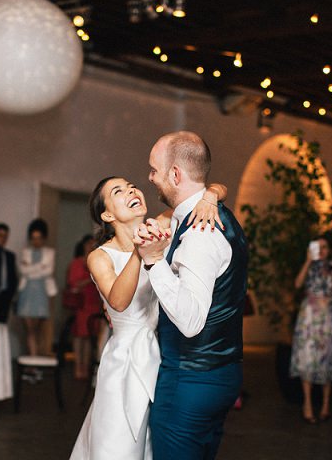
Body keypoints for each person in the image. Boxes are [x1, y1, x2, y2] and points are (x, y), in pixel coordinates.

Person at [70, 176, 225, 460]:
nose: (131, 191)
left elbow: (209, 188)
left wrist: (210, 197)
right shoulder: (100, 256)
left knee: (154, 444)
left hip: (162, 355)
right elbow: (117, 301)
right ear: (107, 214)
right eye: (119, 191)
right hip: (124, 360)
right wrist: (141, 252)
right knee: (118, 442)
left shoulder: (159, 225)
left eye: (132, 186)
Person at [136, 131, 248, 459]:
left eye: (154, 170)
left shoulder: (200, 230)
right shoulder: (214, 215)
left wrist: (155, 261)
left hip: (191, 378)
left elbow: (190, 320)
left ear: (175, 174)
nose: (150, 177)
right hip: (220, 373)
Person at [290, 236, 332, 424]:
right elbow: (297, 284)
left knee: (327, 357)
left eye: (324, 247)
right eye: (317, 247)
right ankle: (307, 404)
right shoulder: (309, 266)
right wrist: (307, 261)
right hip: (309, 317)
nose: (321, 250)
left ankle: (326, 404)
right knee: (307, 357)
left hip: (328, 317)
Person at [17, 218, 57, 365]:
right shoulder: (26, 252)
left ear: (44, 238)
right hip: (27, 292)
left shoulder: (49, 253)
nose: (36, 242)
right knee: (29, 330)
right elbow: (23, 271)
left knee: (38, 329)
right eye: (33, 239)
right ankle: (32, 361)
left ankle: (36, 361)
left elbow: (48, 271)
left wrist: (31, 268)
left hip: (42, 292)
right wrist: (39, 267)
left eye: (39, 238)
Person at [67, 234, 101, 380]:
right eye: (88, 244)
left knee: (89, 336)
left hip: (94, 301)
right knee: (79, 336)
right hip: (81, 303)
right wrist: (89, 278)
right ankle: (77, 366)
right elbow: (73, 283)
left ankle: (86, 367)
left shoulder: (98, 260)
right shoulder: (77, 263)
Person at [0, 222, 18, 323]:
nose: (3, 239)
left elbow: (13, 277)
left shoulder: (10, 256)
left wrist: (11, 295)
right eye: (0, 236)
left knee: (2, 325)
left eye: (5, 237)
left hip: (5, 297)